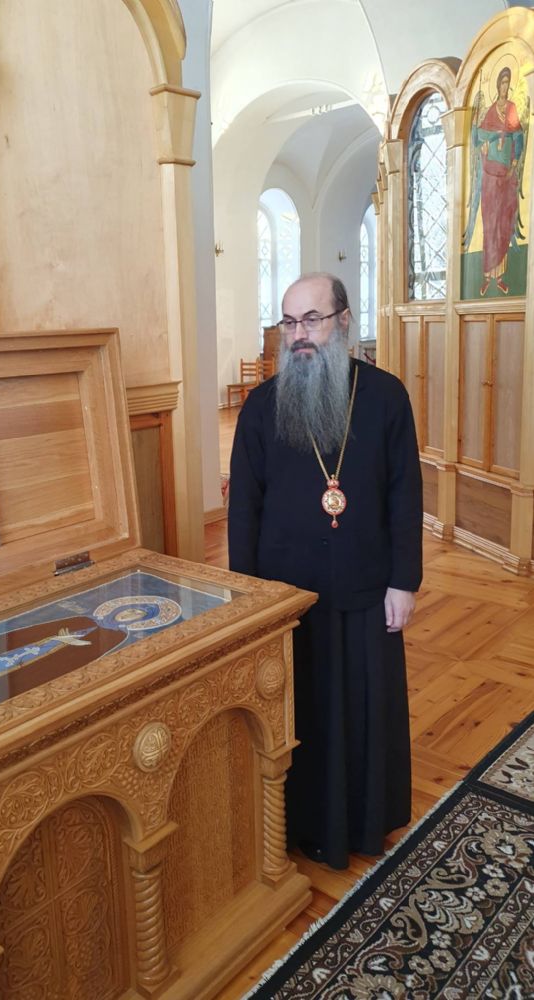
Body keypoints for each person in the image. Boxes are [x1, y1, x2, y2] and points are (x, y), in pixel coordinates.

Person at [228, 273, 422, 870]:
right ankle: (301, 825)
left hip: (366, 585)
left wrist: (404, 580)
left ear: (342, 321)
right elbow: (244, 508)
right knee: (301, 714)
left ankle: (364, 821)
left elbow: (404, 493)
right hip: (288, 594)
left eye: (311, 320)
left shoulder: (385, 396)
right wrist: (247, 595)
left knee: (363, 709)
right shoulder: (261, 407)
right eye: (289, 322)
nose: (299, 335)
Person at [465, 66, 527, 296]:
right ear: (497, 85)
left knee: (503, 222)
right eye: (501, 82)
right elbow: (477, 138)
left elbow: (518, 137)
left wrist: (514, 161)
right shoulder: (492, 110)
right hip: (490, 175)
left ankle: (500, 276)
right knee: (489, 223)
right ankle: (486, 276)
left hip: (506, 176)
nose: (504, 86)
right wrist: (476, 129)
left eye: (507, 83)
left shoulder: (511, 109)